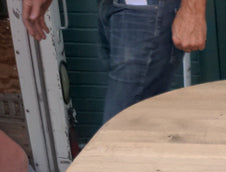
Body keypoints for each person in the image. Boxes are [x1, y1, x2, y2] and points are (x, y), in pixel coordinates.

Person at [21, 0, 206, 123]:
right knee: (138, 129)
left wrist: (193, 9)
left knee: (120, 131)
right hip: (115, 9)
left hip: (145, 11)